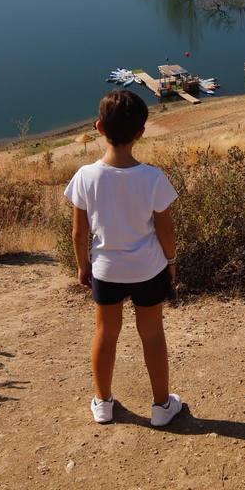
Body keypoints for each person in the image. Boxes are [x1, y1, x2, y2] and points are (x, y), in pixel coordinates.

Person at [65, 89, 184, 427]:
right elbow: (166, 231)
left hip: (106, 270)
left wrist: (82, 266)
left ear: (99, 127)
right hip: (149, 269)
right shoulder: (153, 178)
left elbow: (78, 233)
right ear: (140, 133)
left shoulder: (86, 176)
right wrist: (171, 263)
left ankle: (103, 403)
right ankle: (162, 406)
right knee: (152, 334)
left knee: (106, 332)